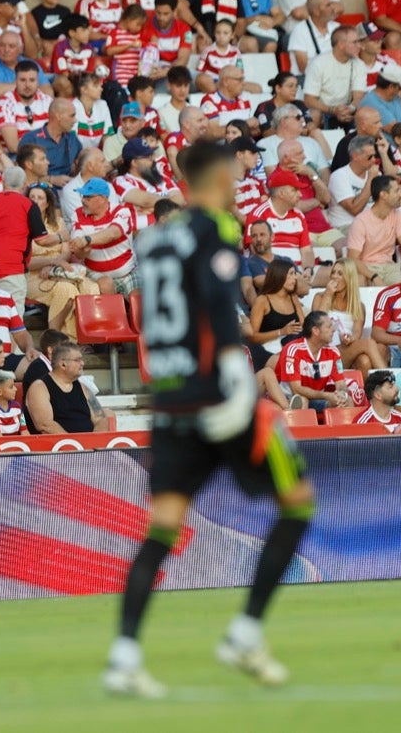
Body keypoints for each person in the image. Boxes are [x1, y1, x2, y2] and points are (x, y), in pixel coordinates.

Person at [104, 142, 314, 698]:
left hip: (169, 399)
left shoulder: (150, 240)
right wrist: (237, 386)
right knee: (298, 503)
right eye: (236, 174)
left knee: (162, 528)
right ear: (219, 176)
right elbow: (221, 312)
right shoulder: (217, 227)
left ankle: (124, 656)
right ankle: (245, 632)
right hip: (217, 396)